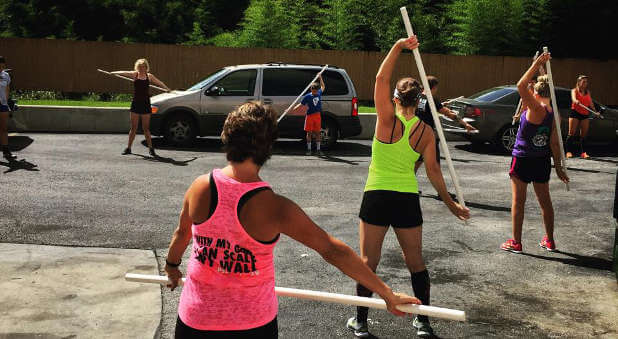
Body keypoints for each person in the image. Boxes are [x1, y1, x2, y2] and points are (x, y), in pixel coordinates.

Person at [164, 101, 419, 338]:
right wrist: (386, 293)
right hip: (250, 325)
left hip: (194, 321)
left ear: (226, 137)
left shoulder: (199, 186)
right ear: (269, 147)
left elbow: (182, 234)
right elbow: (331, 250)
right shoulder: (274, 207)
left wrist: (172, 265)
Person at [346, 37, 470, 338]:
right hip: (405, 198)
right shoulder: (426, 131)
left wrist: (398, 46)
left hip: (376, 195)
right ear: (419, 101)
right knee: (415, 261)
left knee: (368, 262)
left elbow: (380, 77)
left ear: (396, 99)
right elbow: (434, 172)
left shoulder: (386, 120)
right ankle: (422, 321)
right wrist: (451, 204)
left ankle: (361, 321)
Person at [500, 53, 569, 255]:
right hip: (541, 161)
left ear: (536, 93)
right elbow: (555, 144)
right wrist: (558, 168)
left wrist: (536, 64)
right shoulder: (554, 113)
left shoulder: (536, 107)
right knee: (545, 202)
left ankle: (516, 242)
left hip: (522, 158)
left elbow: (521, 85)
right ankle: (550, 240)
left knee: (518, 202)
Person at [111, 58, 170, 157]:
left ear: (146, 67)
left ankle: (151, 149)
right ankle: (128, 148)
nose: (141, 68)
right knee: (133, 128)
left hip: (145, 104)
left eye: (143, 67)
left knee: (146, 128)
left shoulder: (149, 76)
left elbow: (159, 83)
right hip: (135, 103)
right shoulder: (135, 74)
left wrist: (166, 88)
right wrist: (113, 73)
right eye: (139, 67)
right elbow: (124, 72)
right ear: (137, 67)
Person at [293, 75, 325, 155]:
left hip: (317, 115)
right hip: (310, 116)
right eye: (313, 91)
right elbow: (301, 104)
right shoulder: (307, 96)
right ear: (311, 89)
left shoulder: (319, 93)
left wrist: (320, 78)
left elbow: (323, 86)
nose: (314, 92)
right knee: (309, 133)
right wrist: (292, 109)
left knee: (318, 132)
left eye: (316, 91)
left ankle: (318, 150)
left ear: (317, 90)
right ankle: (309, 149)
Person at [567, 75, 596, 159]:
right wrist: (576, 101)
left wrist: (594, 110)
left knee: (583, 135)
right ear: (579, 82)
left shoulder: (588, 92)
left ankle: (583, 153)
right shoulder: (574, 90)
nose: (585, 83)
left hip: (585, 114)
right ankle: (568, 152)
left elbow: (590, 102)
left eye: (586, 82)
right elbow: (573, 98)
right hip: (575, 113)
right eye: (583, 81)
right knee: (571, 133)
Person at [0, 56, 15, 161]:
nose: (1, 68)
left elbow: (7, 91)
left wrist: (8, 105)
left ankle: (6, 152)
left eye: (2, 66)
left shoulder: (6, 76)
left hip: (3, 105)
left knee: (4, 128)